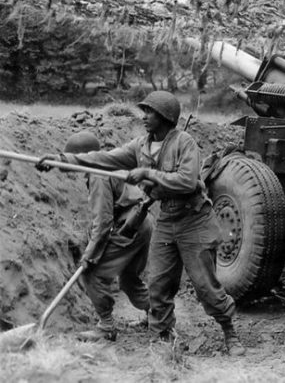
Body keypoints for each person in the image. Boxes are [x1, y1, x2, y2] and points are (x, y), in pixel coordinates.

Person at [38, 91, 245, 356]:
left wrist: (148, 173)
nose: (144, 117)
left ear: (166, 117)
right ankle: (163, 338)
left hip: (194, 220)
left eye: (150, 112)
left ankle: (229, 332)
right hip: (167, 220)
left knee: (205, 286)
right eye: (144, 111)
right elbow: (104, 158)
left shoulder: (185, 142)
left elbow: (187, 181)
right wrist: (61, 160)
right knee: (158, 284)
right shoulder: (140, 146)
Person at [61, 131, 152, 342]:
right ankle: (158, 314)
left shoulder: (98, 176)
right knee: (129, 278)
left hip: (130, 226)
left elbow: (102, 223)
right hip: (142, 223)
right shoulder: (107, 166)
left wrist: (90, 256)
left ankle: (106, 326)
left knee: (92, 273)